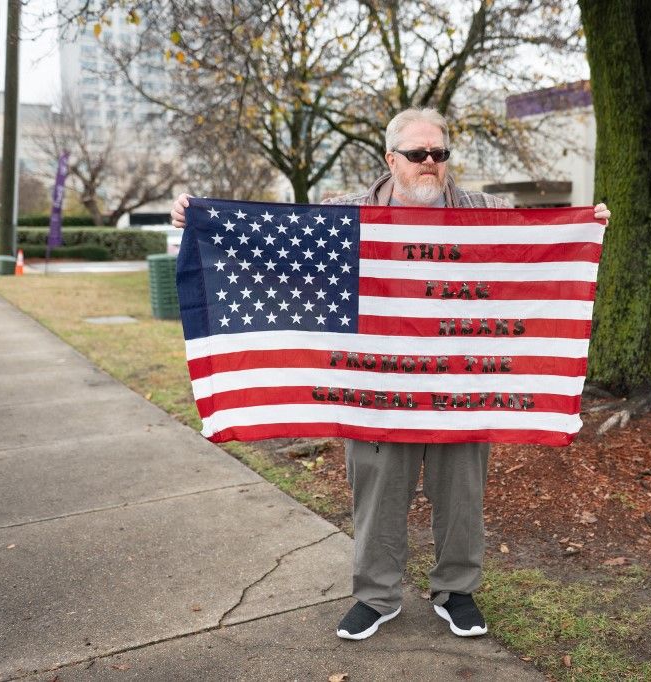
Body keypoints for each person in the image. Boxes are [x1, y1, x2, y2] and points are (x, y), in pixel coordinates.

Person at [171, 107, 611, 641]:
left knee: (462, 495)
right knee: (377, 496)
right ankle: (377, 596)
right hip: (374, 388)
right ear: (390, 158)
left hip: (461, 386)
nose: (430, 163)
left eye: (439, 154)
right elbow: (278, 252)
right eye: (418, 154)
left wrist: (586, 225)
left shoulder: (485, 212)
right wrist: (200, 218)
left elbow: (537, 249)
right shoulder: (344, 213)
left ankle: (457, 589)